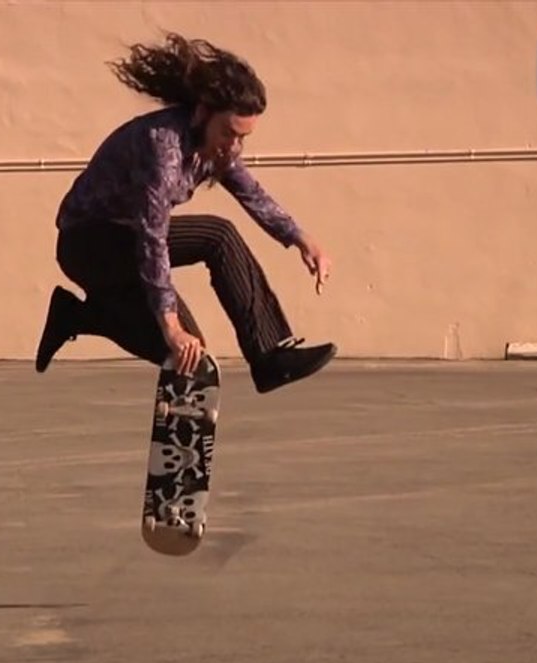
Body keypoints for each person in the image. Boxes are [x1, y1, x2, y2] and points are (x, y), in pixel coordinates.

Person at [34, 32, 337, 393]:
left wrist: (302, 239)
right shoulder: (163, 146)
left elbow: (252, 194)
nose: (233, 147)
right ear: (203, 112)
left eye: (243, 138)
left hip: (127, 238)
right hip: (89, 244)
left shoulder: (215, 148)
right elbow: (152, 237)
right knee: (187, 350)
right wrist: (170, 324)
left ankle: (270, 356)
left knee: (219, 236)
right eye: (228, 133)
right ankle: (83, 315)